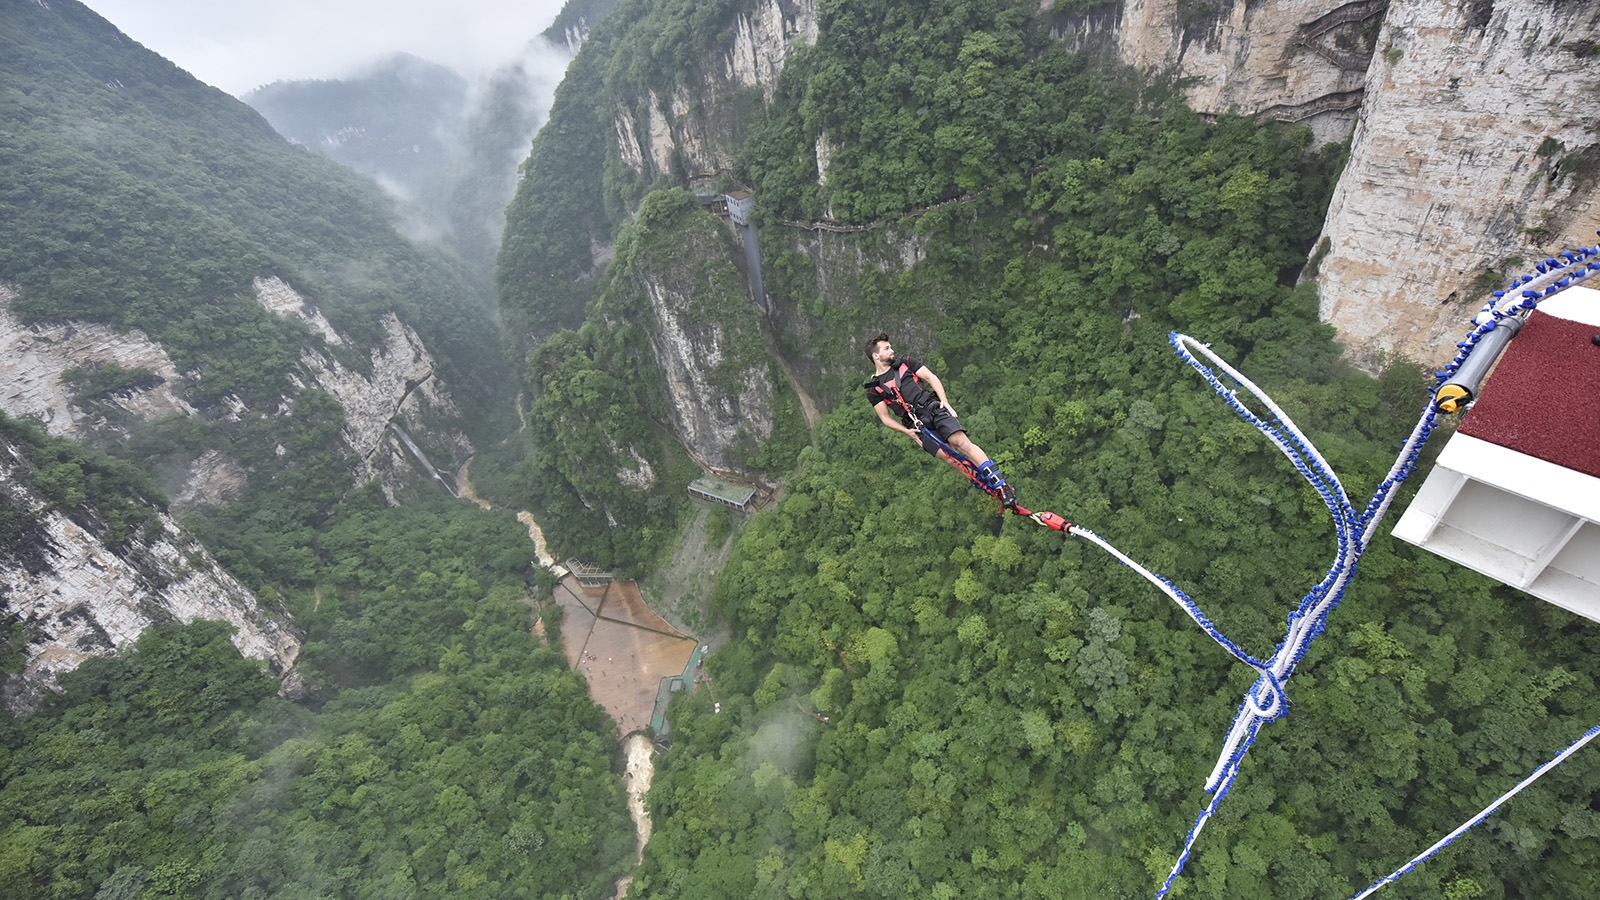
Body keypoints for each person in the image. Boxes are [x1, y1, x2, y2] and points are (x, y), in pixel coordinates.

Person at [863, 332, 1016, 508]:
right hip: (916, 425)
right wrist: (907, 432)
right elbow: (885, 418)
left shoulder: (905, 362)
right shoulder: (874, 389)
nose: (892, 350)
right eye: (887, 348)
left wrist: (944, 402)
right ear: (876, 356)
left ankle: (1001, 486)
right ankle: (989, 488)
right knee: (952, 459)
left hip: (933, 408)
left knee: (962, 444)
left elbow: (930, 377)